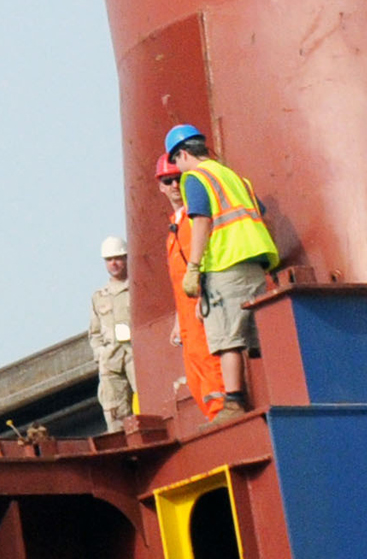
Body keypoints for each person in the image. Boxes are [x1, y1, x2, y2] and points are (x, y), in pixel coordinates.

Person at [166, 123, 280, 414]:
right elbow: (260, 215)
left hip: (224, 265)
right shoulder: (233, 176)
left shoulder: (195, 178)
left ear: (181, 155)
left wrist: (194, 267)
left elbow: (202, 221)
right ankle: (277, 392)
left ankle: (233, 402)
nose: (177, 172)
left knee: (227, 339)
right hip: (255, 263)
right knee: (256, 339)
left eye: (175, 161)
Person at [157, 153, 230, 418]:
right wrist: (178, 318)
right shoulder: (175, 226)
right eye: (168, 181)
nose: (174, 186)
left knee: (211, 361)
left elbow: (207, 258)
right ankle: (213, 416)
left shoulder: (194, 216)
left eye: (177, 179)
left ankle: (222, 412)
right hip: (186, 312)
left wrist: (204, 295)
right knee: (195, 370)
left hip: (201, 304)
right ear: (160, 186)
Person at [90, 236, 138, 431]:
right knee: (115, 412)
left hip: (135, 355)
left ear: (127, 258)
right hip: (111, 359)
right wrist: (100, 355)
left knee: (149, 400)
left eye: (118, 258)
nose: (114, 264)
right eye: (109, 260)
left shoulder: (137, 288)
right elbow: (94, 332)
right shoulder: (99, 296)